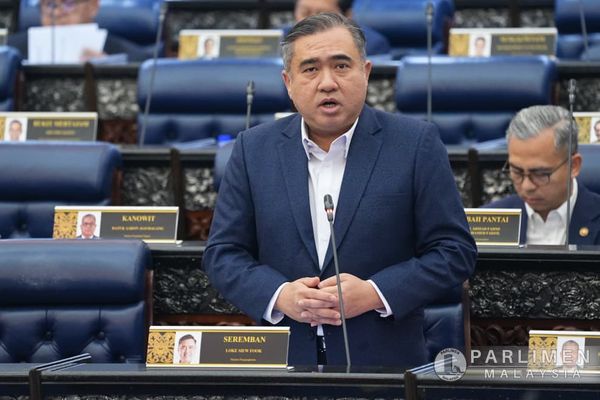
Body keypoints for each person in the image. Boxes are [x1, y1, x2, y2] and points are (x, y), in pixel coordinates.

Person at [203, 13, 476, 367]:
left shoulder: (415, 145)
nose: (327, 83)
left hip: (382, 364)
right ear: (288, 82)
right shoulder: (252, 149)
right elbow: (223, 253)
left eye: (342, 66)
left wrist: (374, 293)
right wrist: (280, 295)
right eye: (310, 69)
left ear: (366, 72)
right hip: (283, 363)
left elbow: (455, 251)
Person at [484, 105, 600, 245]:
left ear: (574, 166)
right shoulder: (487, 221)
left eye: (540, 174)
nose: (527, 186)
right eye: (517, 171)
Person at [7, 0, 149, 62]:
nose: (57, 13)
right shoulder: (10, 50)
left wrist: (110, 71)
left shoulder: (128, 57)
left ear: (93, 6)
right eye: (49, 4)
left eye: (68, 4)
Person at [290, 0, 391, 56]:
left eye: (322, 15)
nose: (311, 21)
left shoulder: (371, 45)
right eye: (305, 13)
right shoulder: (284, 39)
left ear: (348, 15)